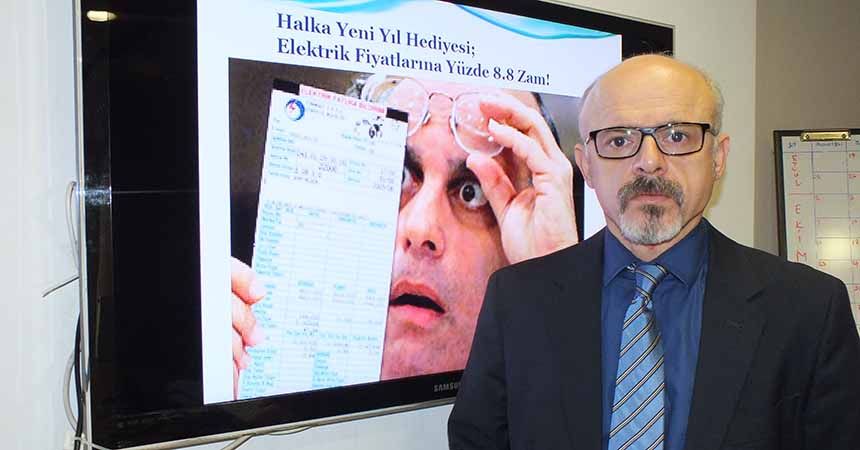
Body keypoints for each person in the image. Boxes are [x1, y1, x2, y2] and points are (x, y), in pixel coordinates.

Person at [448, 54, 860, 450]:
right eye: (619, 139)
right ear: (586, 165)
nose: (649, 162)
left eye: (677, 136)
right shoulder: (516, 298)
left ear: (718, 158)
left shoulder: (809, 309)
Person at [230, 75, 579, 393]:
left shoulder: (567, 391)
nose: (420, 229)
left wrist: (557, 290)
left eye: (473, 192)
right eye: (397, 176)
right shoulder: (237, 368)